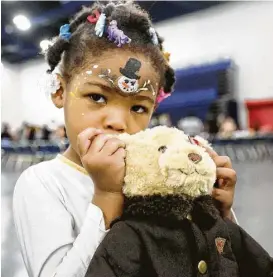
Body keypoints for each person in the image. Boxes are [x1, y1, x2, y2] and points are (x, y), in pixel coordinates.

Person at [13, 2, 238, 277]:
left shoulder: (160, 173)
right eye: (97, 97)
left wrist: (218, 214)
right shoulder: (43, 183)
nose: (118, 122)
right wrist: (107, 196)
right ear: (60, 90)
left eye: (138, 107)